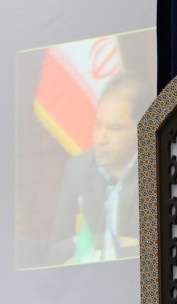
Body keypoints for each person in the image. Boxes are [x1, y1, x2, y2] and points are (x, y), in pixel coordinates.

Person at [47, 75, 150, 265]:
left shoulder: (155, 171)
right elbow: (56, 248)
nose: (101, 139)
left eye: (114, 128)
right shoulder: (79, 168)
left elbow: (155, 248)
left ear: (141, 130)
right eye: (98, 125)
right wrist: (112, 243)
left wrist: (84, 245)